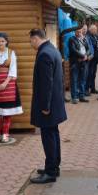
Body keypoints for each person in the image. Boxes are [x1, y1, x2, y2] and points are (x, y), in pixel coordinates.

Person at [29, 28, 68, 183]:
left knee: (48, 137)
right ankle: (53, 166)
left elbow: (46, 83)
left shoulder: (44, 54)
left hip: (48, 105)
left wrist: (45, 106)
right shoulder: (53, 50)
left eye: (30, 41)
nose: (30, 44)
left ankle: (51, 172)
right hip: (55, 102)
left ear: (35, 39)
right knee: (53, 135)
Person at [0, 32, 23, 144]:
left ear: (6, 41)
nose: (0, 43)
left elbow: (13, 70)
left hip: (8, 84)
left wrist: (5, 83)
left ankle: (5, 134)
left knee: (7, 112)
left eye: (2, 41)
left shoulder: (11, 53)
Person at [68, 25, 90, 104]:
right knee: (74, 80)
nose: (79, 33)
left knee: (83, 80)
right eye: (77, 31)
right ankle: (74, 97)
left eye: (80, 31)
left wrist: (86, 56)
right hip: (75, 62)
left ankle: (82, 96)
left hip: (84, 62)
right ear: (75, 32)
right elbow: (73, 50)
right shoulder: (71, 39)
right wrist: (83, 56)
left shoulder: (84, 39)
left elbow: (88, 49)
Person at [86, 24, 98, 95]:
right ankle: (87, 89)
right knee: (89, 74)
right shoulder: (88, 36)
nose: (96, 31)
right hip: (91, 58)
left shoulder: (96, 36)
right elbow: (90, 46)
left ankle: (92, 88)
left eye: (96, 30)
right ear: (91, 30)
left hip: (95, 59)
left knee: (93, 74)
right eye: (94, 30)